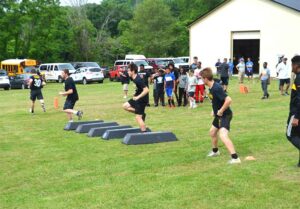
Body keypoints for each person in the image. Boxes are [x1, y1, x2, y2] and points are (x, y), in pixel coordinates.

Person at [201, 67, 241, 164]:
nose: (201, 80)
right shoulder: (211, 88)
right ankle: (215, 151)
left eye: (202, 78)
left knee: (223, 135)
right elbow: (216, 101)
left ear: (205, 78)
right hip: (218, 115)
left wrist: (221, 110)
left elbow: (228, 100)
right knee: (212, 132)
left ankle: (235, 158)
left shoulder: (216, 88)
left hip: (225, 115)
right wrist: (213, 110)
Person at [123, 63, 149, 131]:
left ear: (133, 71)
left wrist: (138, 97)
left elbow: (146, 90)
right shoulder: (133, 77)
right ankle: (141, 113)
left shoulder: (138, 80)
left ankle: (144, 133)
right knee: (125, 106)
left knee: (138, 118)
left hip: (142, 99)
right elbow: (139, 88)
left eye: (128, 70)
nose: (127, 72)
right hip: (137, 97)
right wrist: (136, 93)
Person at [286, 55, 300, 167]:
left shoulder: (299, 78)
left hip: (296, 112)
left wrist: (296, 116)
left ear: (296, 65)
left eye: (292, 65)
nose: (291, 67)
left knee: (290, 135)